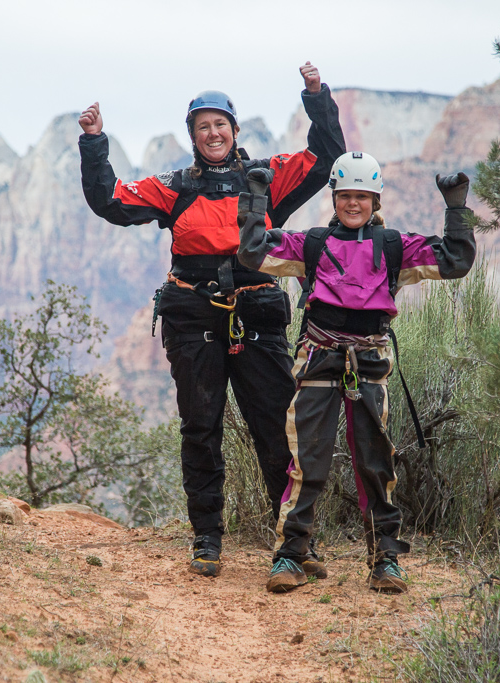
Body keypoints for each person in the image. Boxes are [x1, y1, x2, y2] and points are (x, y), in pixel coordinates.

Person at [77, 62, 345, 578]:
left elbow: (326, 156)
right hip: (194, 316)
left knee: (274, 428)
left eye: (220, 123)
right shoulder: (174, 186)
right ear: (193, 135)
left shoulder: (266, 178)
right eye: (203, 126)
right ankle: (207, 539)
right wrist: (95, 142)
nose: (213, 133)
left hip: (257, 317)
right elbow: (109, 201)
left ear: (235, 130)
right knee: (201, 427)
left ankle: (293, 540)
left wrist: (317, 95)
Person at [236, 152, 476, 593]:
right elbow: (253, 251)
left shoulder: (395, 248)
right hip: (318, 362)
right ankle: (291, 554)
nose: (353, 204)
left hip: (368, 366)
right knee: (307, 462)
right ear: (334, 197)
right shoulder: (311, 245)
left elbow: (456, 260)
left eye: (362, 196)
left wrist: (456, 206)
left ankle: (385, 560)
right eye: (345, 195)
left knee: (374, 464)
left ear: (375, 199)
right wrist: (254, 199)